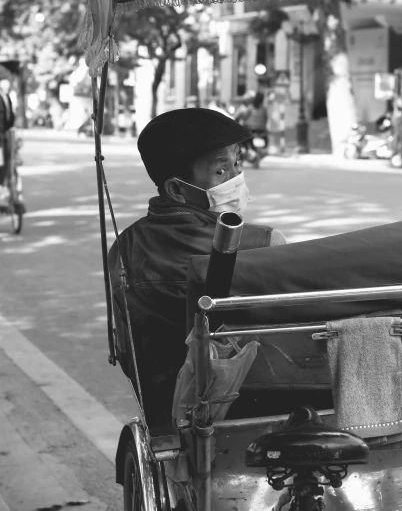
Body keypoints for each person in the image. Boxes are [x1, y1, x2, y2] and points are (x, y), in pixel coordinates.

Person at [108, 108, 286, 425]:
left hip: (164, 413)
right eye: (221, 172)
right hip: (252, 410)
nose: (236, 178)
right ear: (177, 189)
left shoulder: (123, 248)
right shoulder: (264, 244)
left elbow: (126, 350)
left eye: (237, 163)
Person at [0, 80, 16, 203]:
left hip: (5, 134)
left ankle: (3, 186)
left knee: (5, 161)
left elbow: (9, 113)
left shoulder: (7, 96)